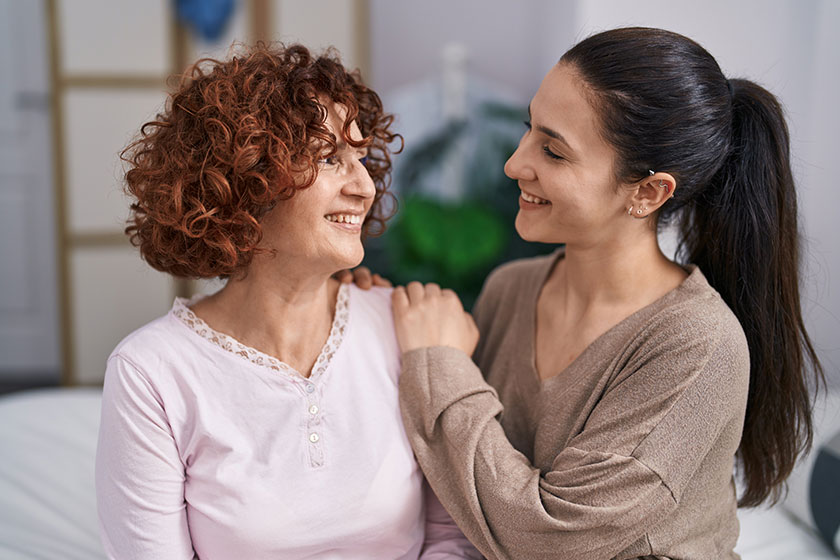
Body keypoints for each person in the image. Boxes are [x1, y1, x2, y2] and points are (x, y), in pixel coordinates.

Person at [371, 27, 823, 559]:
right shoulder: (510, 290)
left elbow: (551, 541)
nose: (514, 165)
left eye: (553, 151)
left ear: (648, 192)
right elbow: (460, 478)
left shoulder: (698, 346)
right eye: (527, 131)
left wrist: (439, 361)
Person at [94, 43, 480, 560]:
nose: (365, 186)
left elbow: (451, 537)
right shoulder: (152, 374)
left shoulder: (404, 326)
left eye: (362, 159)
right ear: (248, 181)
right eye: (330, 159)